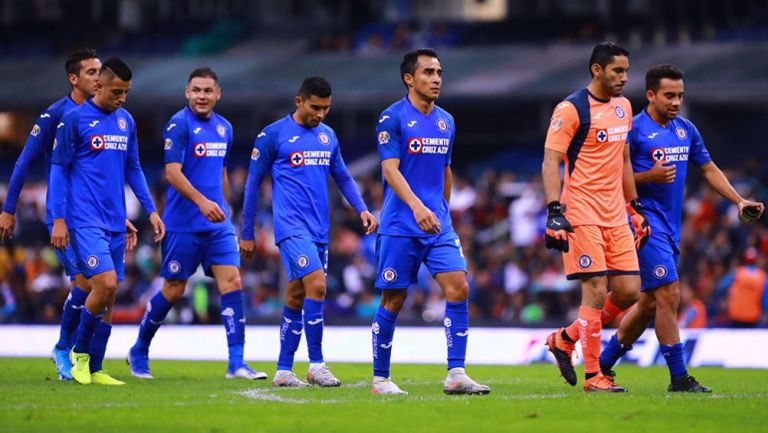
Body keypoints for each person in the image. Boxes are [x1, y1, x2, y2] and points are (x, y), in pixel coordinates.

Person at [599, 65, 765, 392]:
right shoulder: (631, 130)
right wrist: (648, 177)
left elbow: (708, 168)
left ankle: (601, 364)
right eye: (669, 95)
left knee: (649, 303)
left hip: (671, 228)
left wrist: (738, 200)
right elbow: (609, 179)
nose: (676, 102)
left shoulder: (685, 130)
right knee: (670, 293)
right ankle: (679, 379)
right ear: (650, 95)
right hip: (641, 224)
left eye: (680, 96)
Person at [0, 49, 137, 381]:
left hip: (98, 216)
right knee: (90, 283)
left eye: (98, 71)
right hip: (64, 216)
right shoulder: (55, 116)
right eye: (91, 71)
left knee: (101, 286)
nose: (97, 75)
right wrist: (8, 209)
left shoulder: (111, 117)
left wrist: (117, 215)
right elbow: (23, 163)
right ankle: (66, 348)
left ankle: (86, 359)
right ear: (74, 78)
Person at [126, 68, 265, 380]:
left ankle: (236, 363)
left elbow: (221, 172)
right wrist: (203, 202)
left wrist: (226, 209)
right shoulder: (178, 125)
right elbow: (172, 173)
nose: (202, 96)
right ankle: (139, 349)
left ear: (218, 94)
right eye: (196, 90)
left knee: (233, 282)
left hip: (217, 226)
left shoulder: (225, 128)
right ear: (187, 93)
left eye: (208, 91)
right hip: (182, 225)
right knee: (173, 291)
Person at [240, 76, 377, 387]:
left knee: (297, 293)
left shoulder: (328, 136)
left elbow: (342, 177)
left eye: (326, 108)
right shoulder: (273, 135)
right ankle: (316, 364)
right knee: (317, 286)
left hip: (319, 230)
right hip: (290, 227)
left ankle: (283, 370)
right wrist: (247, 232)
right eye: (315, 107)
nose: (321, 114)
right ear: (298, 101)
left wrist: (363, 208)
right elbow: (252, 185)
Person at [371, 48, 490, 396]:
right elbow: (389, 169)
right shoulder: (391, 118)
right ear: (410, 78)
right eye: (428, 72)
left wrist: (442, 212)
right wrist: (417, 207)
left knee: (460, 287)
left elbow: (446, 170)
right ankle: (380, 379)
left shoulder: (447, 121)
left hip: (437, 225)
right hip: (399, 224)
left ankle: (456, 373)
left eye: (439, 72)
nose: (436, 78)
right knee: (393, 300)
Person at [542, 42, 650, 392]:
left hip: (615, 213)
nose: (624, 78)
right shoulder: (571, 108)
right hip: (581, 211)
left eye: (626, 71)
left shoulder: (624, 107)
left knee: (629, 291)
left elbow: (624, 160)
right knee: (595, 289)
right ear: (597, 70)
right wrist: (554, 210)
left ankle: (565, 338)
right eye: (617, 71)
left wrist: (634, 206)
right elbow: (550, 161)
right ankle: (593, 376)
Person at [50, 57, 165, 385]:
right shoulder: (74, 120)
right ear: (98, 85)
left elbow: (134, 169)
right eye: (117, 91)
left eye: (127, 92)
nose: (122, 98)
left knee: (110, 297)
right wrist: (58, 218)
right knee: (106, 284)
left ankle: (96, 368)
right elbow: (58, 170)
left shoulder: (126, 121)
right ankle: (78, 353)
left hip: (116, 221)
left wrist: (151, 210)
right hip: (84, 221)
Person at [716, 247, 768, 328]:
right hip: (753, 318)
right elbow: (765, 302)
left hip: (736, 316)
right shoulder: (762, 276)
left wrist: (725, 299)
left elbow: (720, 286)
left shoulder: (737, 273)